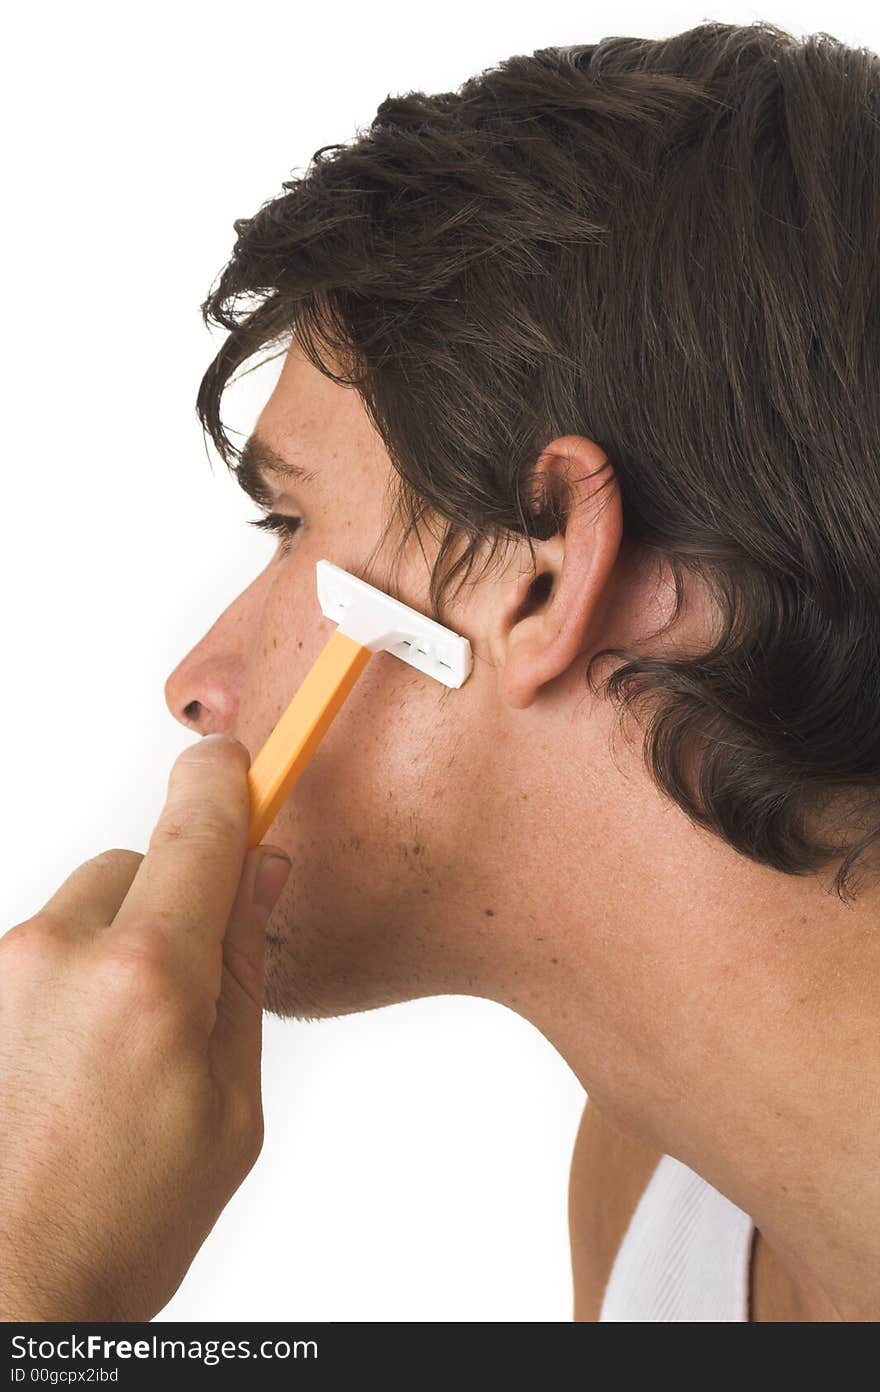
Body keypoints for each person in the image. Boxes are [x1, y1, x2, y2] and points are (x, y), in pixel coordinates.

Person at [3, 17, 879, 1323]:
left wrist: (31, 1272)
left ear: (544, 571)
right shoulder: (662, 1189)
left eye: (292, 525)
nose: (193, 684)